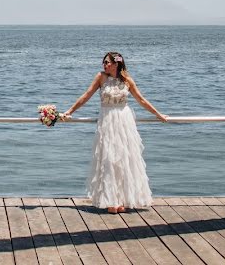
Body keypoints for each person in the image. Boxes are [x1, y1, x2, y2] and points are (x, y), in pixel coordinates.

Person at [62, 51, 167, 213]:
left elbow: (141, 100)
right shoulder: (101, 77)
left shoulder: (128, 80)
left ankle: (123, 199)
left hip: (124, 121)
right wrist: (70, 111)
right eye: (104, 62)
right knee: (109, 159)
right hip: (107, 120)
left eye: (107, 62)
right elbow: (86, 95)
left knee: (124, 158)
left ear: (116, 64)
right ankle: (111, 200)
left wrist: (158, 115)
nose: (104, 65)